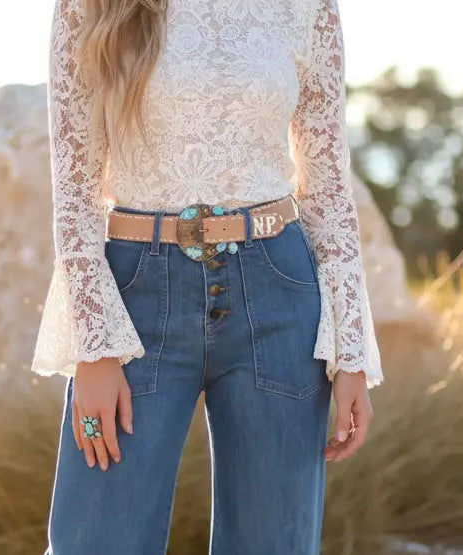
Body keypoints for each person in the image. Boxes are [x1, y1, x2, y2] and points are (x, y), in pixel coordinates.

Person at [33, 0, 384, 552]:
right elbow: (74, 192)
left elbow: (327, 185)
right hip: (134, 299)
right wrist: (93, 348)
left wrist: (351, 354)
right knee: (94, 540)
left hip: (278, 291)